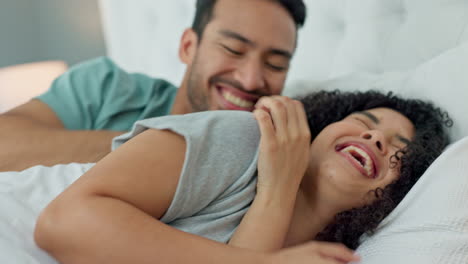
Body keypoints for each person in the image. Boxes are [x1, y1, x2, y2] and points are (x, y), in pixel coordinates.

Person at [34, 90, 451, 264]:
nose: (375, 136)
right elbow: (61, 222)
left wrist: (278, 192)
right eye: (364, 121)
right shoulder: (244, 138)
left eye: (400, 150)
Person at [0, 0, 307, 171]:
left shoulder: (271, 154)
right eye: (233, 49)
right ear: (188, 46)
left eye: (275, 64)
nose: (252, 79)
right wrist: (177, 148)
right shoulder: (105, 87)